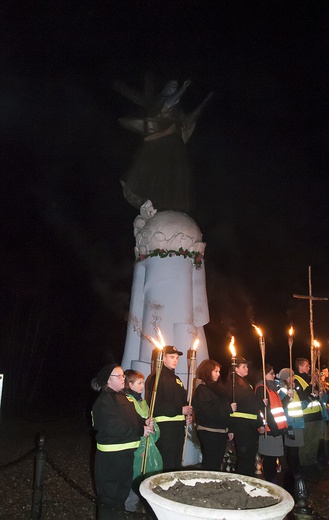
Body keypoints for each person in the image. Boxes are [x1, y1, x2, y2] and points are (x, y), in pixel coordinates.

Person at [115, 74, 212, 212]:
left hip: (174, 148)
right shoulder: (160, 103)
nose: (174, 89)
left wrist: (203, 102)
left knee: (171, 176)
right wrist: (182, 89)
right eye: (171, 87)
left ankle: (166, 206)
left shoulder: (178, 113)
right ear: (166, 89)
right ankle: (148, 201)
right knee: (154, 173)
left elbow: (189, 121)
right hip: (159, 146)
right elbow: (168, 104)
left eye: (175, 87)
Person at [91, 364, 154, 518]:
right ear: (108, 380)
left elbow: (134, 419)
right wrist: (140, 430)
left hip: (126, 457)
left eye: (122, 376)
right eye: (118, 376)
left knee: (121, 495)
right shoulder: (103, 403)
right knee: (109, 500)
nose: (122, 378)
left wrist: (144, 422)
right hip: (110, 460)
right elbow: (113, 427)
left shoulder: (125, 398)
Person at [146, 345, 192, 470]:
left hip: (178, 428)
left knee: (176, 463)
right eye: (172, 357)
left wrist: (186, 416)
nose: (175, 360)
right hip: (165, 429)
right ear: (163, 358)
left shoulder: (177, 379)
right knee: (166, 464)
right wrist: (180, 410)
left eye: (177, 357)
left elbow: (182, 402)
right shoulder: (156, 378)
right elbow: (155, 407)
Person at [123, 369, 162, 513]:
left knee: (145, 476)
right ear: (130, 384)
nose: (142, 386)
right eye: (139, 383)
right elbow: (132, 424)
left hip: (147, 444)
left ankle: (143, 506)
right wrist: (140, 448)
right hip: (137, 447)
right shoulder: (128, 401)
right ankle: (129, 508)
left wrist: (152, 425)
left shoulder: (142, 401)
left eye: (142, 382)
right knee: (135, 477)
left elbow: (148, 419)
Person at [192, 359, 236, 470]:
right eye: (215, 371)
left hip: (221, 431)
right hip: (209, 431)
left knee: (217, 463)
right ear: (207, 372)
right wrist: (228, 408)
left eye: (219, 371)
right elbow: (208, 411)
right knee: (210, 463)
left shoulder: (220, 389)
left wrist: (229, 428)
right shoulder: (202, 390)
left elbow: (223, 409)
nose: (218, 374)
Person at [226, 357, 265, 476]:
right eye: (243, 367)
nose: (247, 368)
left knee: (249, 456)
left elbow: (253, 406)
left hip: (250, 425)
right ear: (236, 369)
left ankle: (248, 477)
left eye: (247, 366)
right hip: (241, 426)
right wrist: (230, 428)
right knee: (244, 456)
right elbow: (230, 407)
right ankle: (243, 480)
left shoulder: (246, 383)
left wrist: (260, 423)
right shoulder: (233, 384)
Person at [255, 365, 288, 483]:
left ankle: (272, 479)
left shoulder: (272, 389)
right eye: (271, 373)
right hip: (270, 429)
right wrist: (274, 428)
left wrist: (287, 398)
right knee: (270, 458)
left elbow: (277, 408)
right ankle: (270, 481)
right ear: (264, 375)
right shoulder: (262, 389)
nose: (274, 376)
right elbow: (265, 411)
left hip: (276, 428)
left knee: (274, 457)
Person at [294, 357, 323, 482]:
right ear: (300, 367)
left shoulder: (309, 379)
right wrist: (311, 384)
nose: (308, 368)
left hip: (316, 416)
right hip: (307, 417)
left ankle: (312, 465)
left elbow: (314, 395)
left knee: (314, 443)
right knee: (306, 444)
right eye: (306, 366)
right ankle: (305, 468)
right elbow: (302, 396)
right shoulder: (296, 380)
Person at [277, 368, 305, 493]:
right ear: (286, 378)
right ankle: (291, 483)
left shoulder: (293, 391)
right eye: (291, 376)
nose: (293, 379)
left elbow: (298, 406)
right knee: (292, 455)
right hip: (292, 425)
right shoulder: (283, 392)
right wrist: (289, 426)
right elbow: (284, 410)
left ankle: (295, 480)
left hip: (298, 424)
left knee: (295, 454)